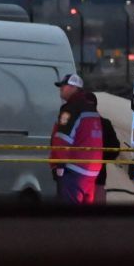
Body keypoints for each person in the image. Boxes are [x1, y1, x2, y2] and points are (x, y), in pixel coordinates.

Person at [49, 72, 107, 205]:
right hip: (92, 170)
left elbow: (62, 139)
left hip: (74, 170)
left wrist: (59, 166)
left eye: (64, 86)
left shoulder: (71, 109)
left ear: (73, 88)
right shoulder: (91, 109)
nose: (61, 88)